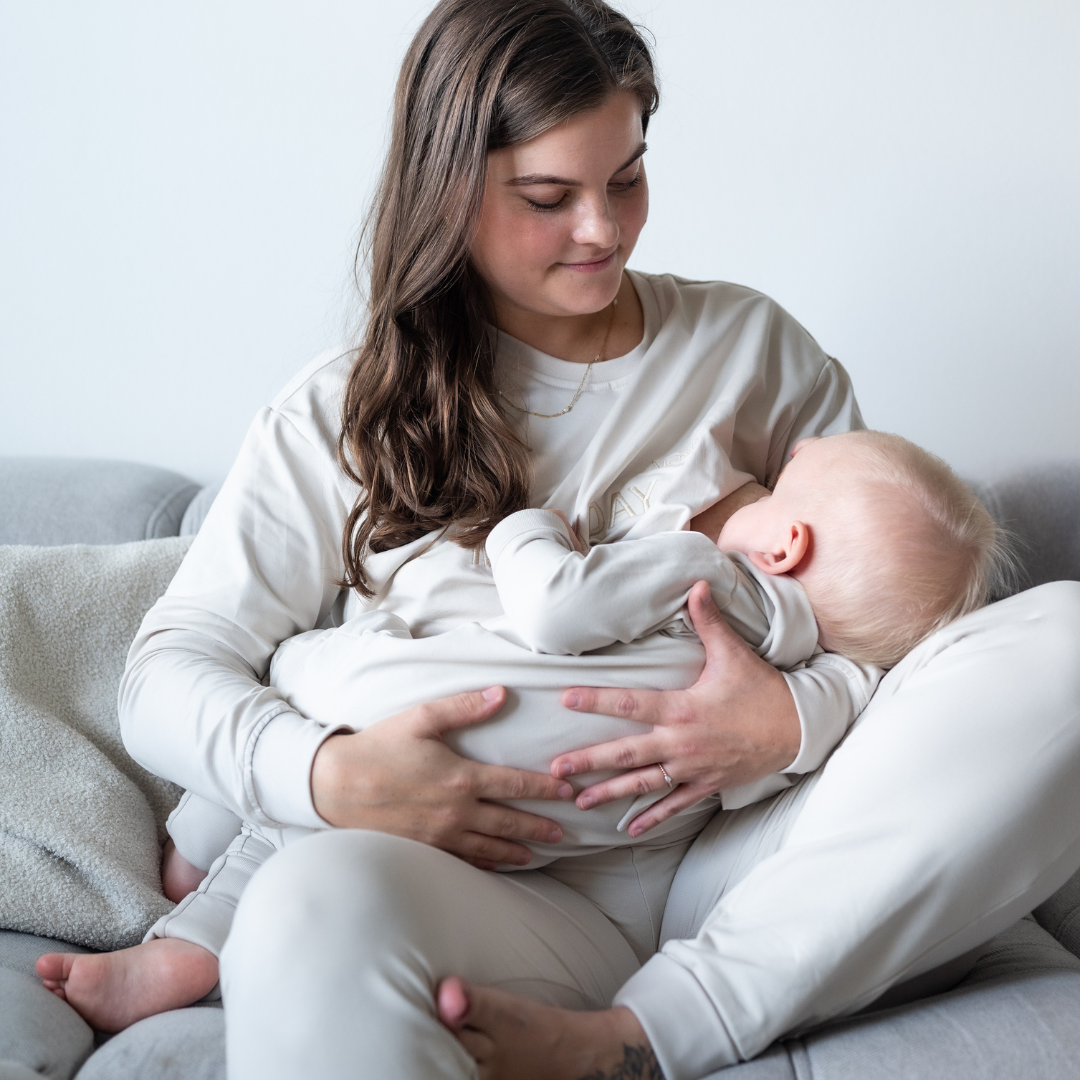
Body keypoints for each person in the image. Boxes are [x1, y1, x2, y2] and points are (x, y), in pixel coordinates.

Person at [36, 2, 1080, 1077]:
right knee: (306, 902)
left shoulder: (751, 351)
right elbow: (167, 673)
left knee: (1066, 644)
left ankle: (649, 1037)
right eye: (549, 197)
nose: (606, 230)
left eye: (626, 177)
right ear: (446, 188)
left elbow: (888, 599)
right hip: (482, 891)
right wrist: (327, 777)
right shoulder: (344, 411)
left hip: (738, 873)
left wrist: (794, 723)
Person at [40, 428, 1003, 1031]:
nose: (763, 475)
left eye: (783, 479)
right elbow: (847, 703)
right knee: (335, 801)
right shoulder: (811, 681)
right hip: (585, 815)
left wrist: (527, 530)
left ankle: (193, 888)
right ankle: (193, 934)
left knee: (298, 684)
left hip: (462, 714)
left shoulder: (700, 568)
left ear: (784, 541)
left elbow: (555, 612)